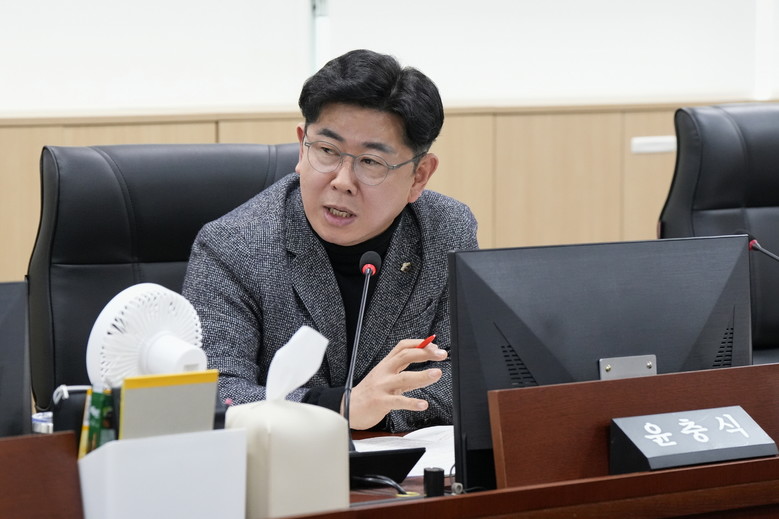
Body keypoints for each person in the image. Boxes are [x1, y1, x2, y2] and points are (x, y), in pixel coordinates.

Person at [182, 49, 478, 432]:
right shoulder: (233, 246)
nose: (342, 181)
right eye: (326, 151)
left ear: (419, 175)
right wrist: (341, 407)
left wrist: (381, 409)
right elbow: (213, 393)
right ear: (302, 146)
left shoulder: (445, 229)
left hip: (405, 463)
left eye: (371, 162)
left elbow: (468, 373)